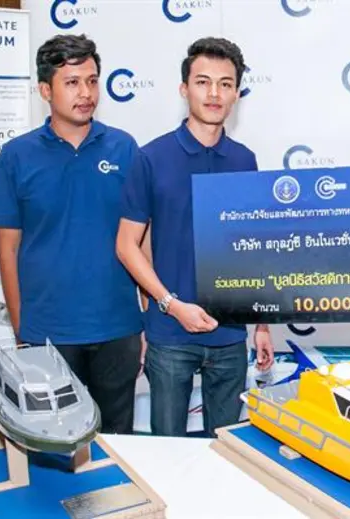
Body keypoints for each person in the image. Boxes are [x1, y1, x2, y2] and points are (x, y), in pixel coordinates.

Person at [116, 37, 274, 438]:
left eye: (225, 84)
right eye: (203, 82)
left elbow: (252, 246)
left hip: (230, 334)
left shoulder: (244, 160)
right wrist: (170, 305)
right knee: (167, 450)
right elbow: (126, 245)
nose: (214, 93)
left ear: (236, 94)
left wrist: (262, 324)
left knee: (229, 450)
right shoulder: (151, 157)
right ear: (184, 88)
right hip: (170, 334)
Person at [0, 34, 143, 434]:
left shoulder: (124, 148)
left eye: (91, 81)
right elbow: (8, 250)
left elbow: (142, 241)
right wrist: (22, 331)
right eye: (72, 82)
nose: (86, 93)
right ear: (46, 90)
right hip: (47, 335)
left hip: (118, 328)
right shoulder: (16, 156)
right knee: (54, 447)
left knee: (117, 444)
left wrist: (147, 318)